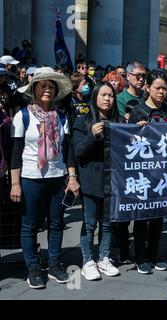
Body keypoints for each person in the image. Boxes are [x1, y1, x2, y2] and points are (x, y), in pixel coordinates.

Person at [10, 67, 80, 289]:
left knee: (57, 222)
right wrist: (15, 184)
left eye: (51, 86)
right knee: (30, 224)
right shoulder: (22, 116)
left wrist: (72, 177)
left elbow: (67, 150)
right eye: (43, 86)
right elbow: (16, 151)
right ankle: (33, 266)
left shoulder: (61, 116)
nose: (47, 89)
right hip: (31, 177)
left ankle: (54, 263)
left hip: (57, 176)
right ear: (34, 89)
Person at [127, 71, 167, 273]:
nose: (161, 92)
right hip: (143, 173)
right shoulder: (138, 111)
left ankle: (154, 253)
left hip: (164, 172)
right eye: (157, 87)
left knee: (158, 214)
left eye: (164, 88)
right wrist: (136, 130)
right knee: (142, 217)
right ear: (147, 87)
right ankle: (140, 256)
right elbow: (128, 143)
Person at [72, 82, 121, 281]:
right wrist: (92, 135)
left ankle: (104, 258)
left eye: (111, 95)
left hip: (113, 181)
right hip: (91, 180)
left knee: (108, 224)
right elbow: (78, 151)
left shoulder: (118, 120)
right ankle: (87, 261)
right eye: (103, 95)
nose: (107, 99)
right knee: (90, 223)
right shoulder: (82, 121)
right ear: (94, 97)